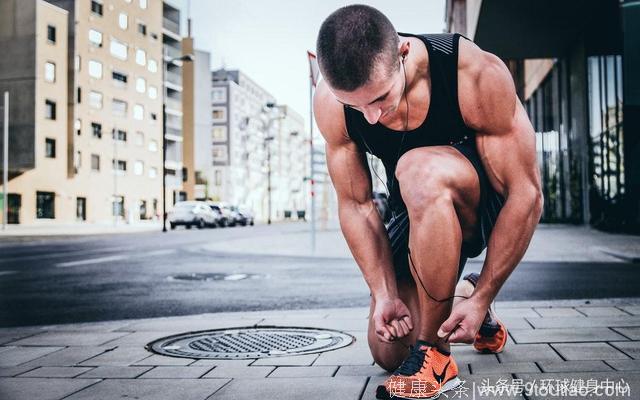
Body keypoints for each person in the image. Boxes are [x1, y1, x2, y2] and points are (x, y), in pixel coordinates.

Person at [313, 5, 543, 399]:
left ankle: (435, 358)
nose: (370, 117)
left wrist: (490, 288)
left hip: (479, 202)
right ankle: (462, 299)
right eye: (356, 106)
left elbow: (527, 194)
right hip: (414, 206)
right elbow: (356, 204)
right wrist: (383, 292)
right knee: (387, 349)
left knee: (417, 168)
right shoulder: (331, 101)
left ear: (403, 53)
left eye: (380, 98)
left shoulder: (470, 72)